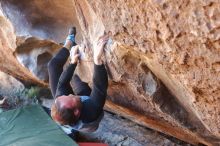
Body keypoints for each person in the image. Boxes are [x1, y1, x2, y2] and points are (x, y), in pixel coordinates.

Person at [47, 27, 108, 132]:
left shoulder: (62, 101)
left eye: (65, 96)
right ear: (76, 112)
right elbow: (100, 87)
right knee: (79, 81)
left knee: (53, 66)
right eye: (71, 97)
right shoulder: (91, 112)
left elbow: (62, 83)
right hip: (90, 123)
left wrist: (72, 63)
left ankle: (69, 42)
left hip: (72, 109)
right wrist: (97, 60)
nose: (70, 94)